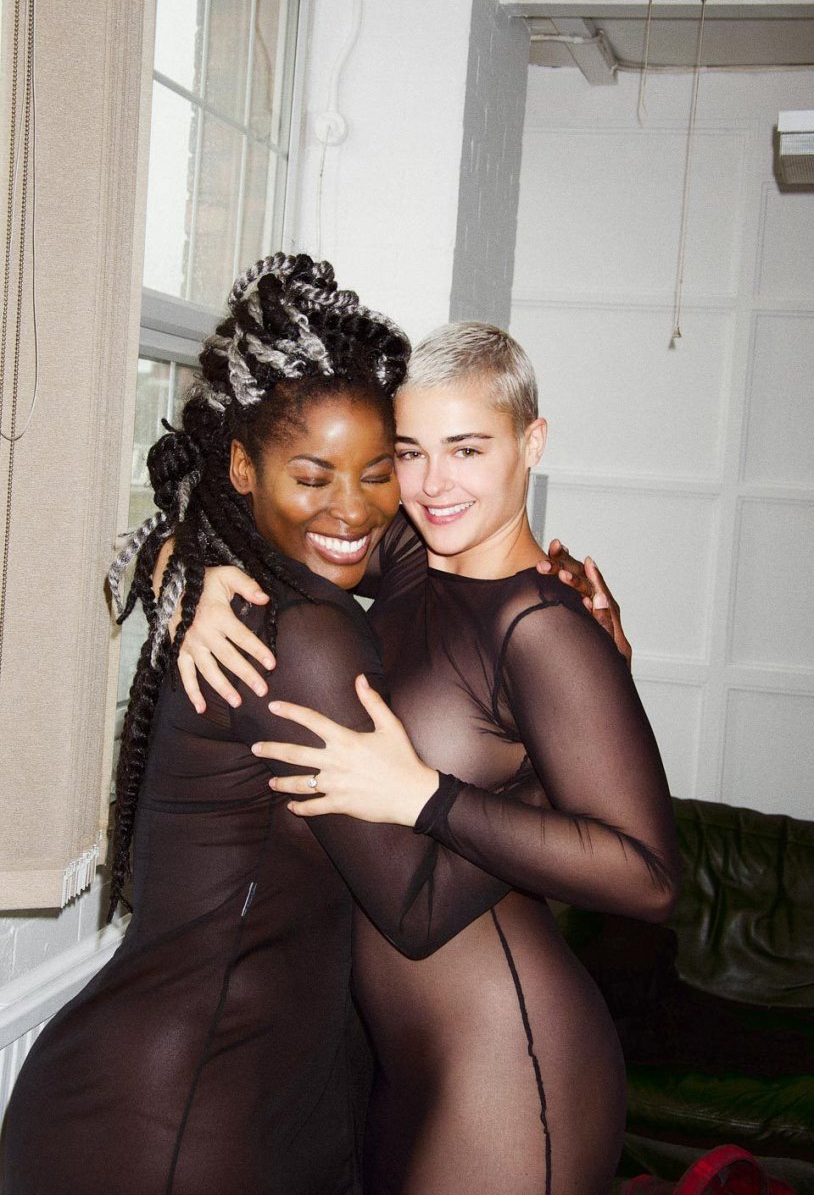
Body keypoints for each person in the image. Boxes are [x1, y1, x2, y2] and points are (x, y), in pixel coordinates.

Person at [2, 256, 535, 1195]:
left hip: (243, 1101)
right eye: (313, 474)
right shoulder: (303, 638)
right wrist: (544, 770)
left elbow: (422, 544)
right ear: (242, 468)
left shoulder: (273, 577)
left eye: (380, 471)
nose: (352, 508)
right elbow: (412, 910)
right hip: (171, 1123)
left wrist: (179, 553)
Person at [177, 322, 680, 1194]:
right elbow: (271, 510)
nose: (434, 485)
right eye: (410, 453)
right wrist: (199, 577)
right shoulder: (415, 557)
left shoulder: (544, 626)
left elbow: (649, 877)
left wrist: (426, 797)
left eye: (468, 450)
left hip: (516, 1066)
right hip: (403, 1066)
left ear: (532, 444)